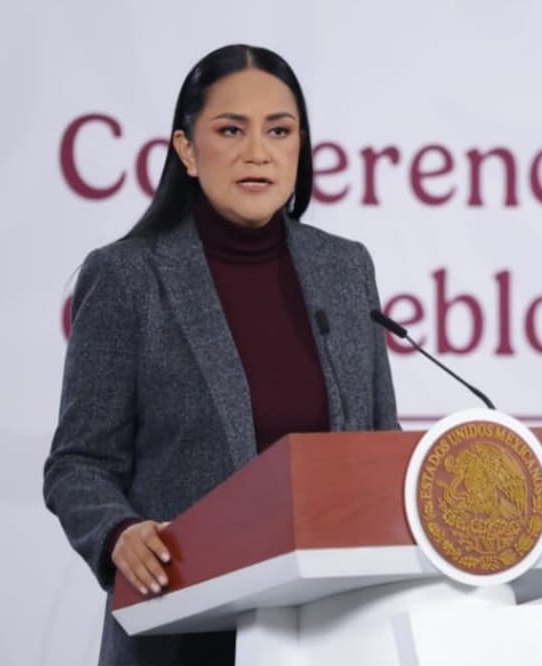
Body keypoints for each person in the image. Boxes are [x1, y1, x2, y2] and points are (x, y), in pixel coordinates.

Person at [42, 44, 400, 666]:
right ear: (186, 149)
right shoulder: (129, 277)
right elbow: (78, 463)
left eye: (279, 131)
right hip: (185, 630)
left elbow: (381, 444)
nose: (257, 151)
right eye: (230, 129)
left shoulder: (345, 269)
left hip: (335, 630)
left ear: (300, 147)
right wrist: (119, 533)